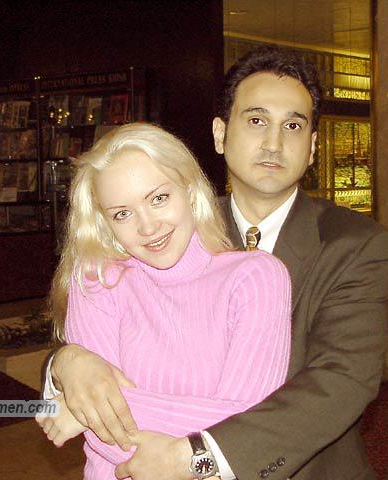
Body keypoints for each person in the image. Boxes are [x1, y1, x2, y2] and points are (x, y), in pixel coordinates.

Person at [42, 45, 388, 480]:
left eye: (293, 125)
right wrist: (65, 364)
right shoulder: (167, 229)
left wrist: (195, 458)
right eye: (256, 120)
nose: (273, 143)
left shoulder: (356, 244)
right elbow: (101, 319)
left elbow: (341, 382)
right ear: (220, 133)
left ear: (312, 148)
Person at [35, 122, 292, 479]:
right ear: (105, 223)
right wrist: (89, 409)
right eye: (122, 213)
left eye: (158, 198)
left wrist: (84, 410)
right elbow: (107, 438)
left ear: (189, 189)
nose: (147, 227)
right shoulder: (97, 278)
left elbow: (251, 430)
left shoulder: (255, 278)